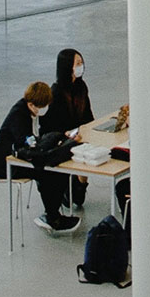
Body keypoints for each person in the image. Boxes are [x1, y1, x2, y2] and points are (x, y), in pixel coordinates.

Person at [0, 80, 79, 233]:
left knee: (56, 169)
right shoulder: (18, 117)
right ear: (31, 104)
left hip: (20, 156)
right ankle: (53, 217)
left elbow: (38, 139)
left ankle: (52, 212)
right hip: (6, 165)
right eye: (42, 106)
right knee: (48, 173)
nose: (45, 109)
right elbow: (25, 145)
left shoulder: (32, 111)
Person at [46, 48, 95, 211]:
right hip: (63, 139)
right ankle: (71, 189)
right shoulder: (57, 92)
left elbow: (88, 115)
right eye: (77, 64)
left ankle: (80, 184)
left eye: (82, 63)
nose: (81, 67)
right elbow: (50, 126)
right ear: (67, 67)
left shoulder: (81, 87)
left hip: (79, 135)